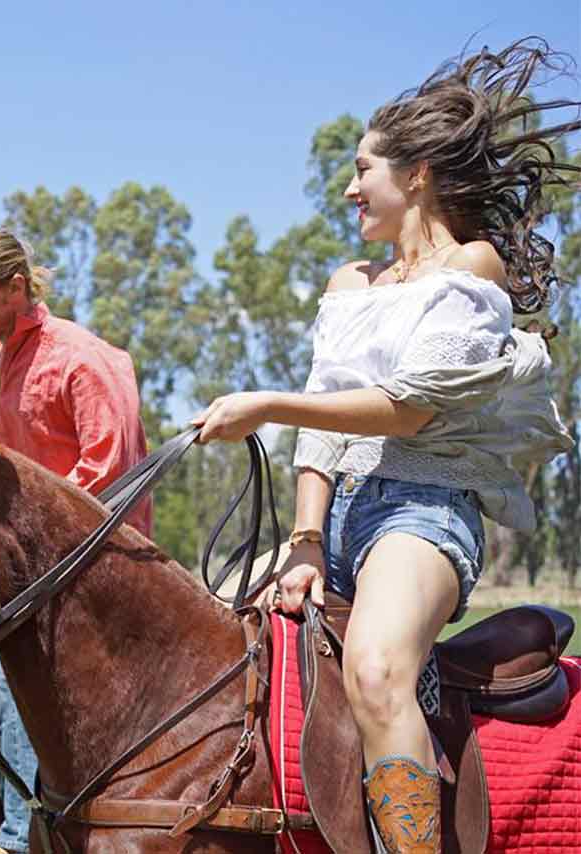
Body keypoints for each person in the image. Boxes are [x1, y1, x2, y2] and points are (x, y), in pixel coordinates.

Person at [189, 38, 577, 853]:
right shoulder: (347, 284)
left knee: (374, 667)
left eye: (363, 168)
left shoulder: (473, 268)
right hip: (331, 519)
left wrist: (264, 400)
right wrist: (300, 539)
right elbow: (323, 423)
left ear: (418, 174)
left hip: (422, 511)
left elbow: (406, 410)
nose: (348, 187)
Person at [0, 228, 151, 854]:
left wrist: (23, 535)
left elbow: (107, 474)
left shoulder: (83, 360)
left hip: (98, 562)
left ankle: (13, 841)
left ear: (15, 289)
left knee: (16, 673)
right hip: (27, 565)